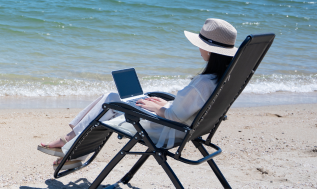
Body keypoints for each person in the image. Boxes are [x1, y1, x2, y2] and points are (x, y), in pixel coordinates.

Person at [38, 18, 238, 171]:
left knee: (111, 102)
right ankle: (69, 145)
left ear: (210, 50)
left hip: (166, 130)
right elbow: (190, 108)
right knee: (113, 99)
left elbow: (176, 116)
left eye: (201, 44)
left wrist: (158, 108)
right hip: (179, 126)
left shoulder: (202, 83)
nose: (199, 48)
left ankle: (70, 150)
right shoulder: (220, 79)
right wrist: (168, 103)